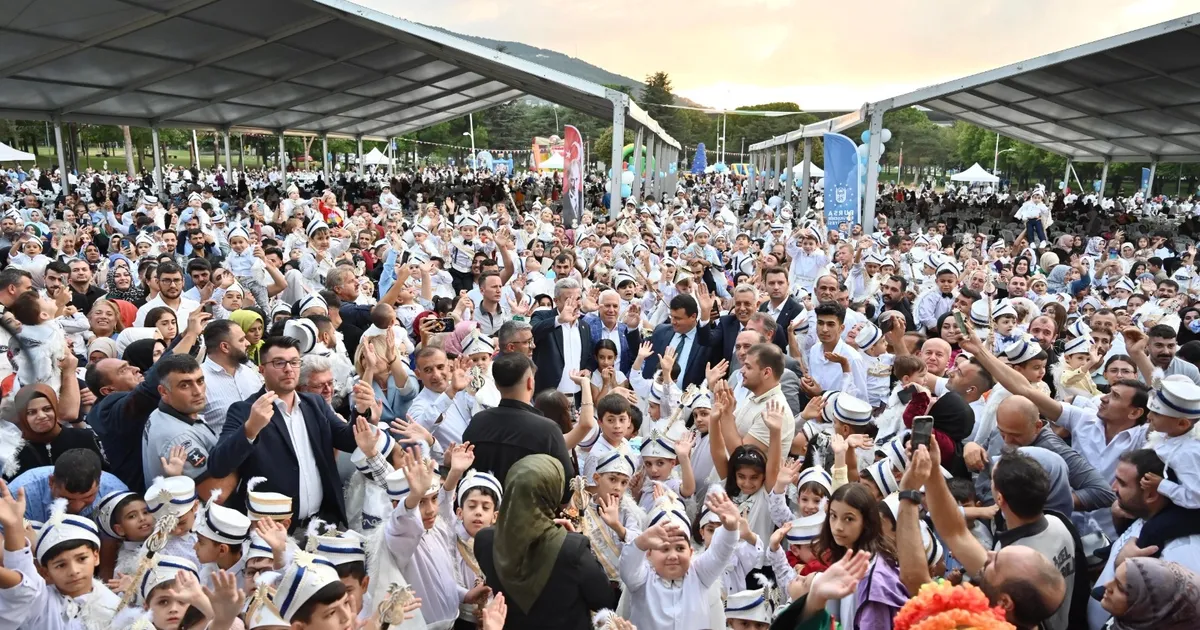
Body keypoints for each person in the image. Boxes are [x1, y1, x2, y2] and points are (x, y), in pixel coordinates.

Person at [207, 336, 363, 528]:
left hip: (321, 522)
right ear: (262, 370)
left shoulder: (314, 404)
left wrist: (362, 411)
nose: (288, 368)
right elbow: (218, 465)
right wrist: (250, 429)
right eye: (279, 362)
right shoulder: (245, 410)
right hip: (271, 530)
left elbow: (348, 440)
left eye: (294, 362)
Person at [473, 454, 613, 630]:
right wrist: (570, 539)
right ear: (553, 492)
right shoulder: (572, 550)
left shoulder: (485, 541)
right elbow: (604, 600)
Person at [1, 383, 104, 480]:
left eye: (47, 409)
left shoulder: (83, 438)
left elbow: (104, 475)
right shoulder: (14, 453)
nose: (41, 416)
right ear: (22, 416)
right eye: (31, 412)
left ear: (55, 408)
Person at [200, 318, 263, 434]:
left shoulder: (250, 372)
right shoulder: (199, 381)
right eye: (241, 340)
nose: (247, 343)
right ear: (225, 347)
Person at [531, 278, 593, 394]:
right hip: (548, 396)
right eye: (569, 299)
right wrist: (559, 320)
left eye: (578, 298)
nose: (575, 303)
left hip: (577, 395)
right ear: (556, 301)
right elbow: (532, 332)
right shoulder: (543, 316)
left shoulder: (584, 326)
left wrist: (588, 369)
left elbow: (588, 356)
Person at [641, 291, 714, 391]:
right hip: (656, 396)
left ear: (693, 316)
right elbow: (642, 350)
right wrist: (632, 329)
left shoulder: (706, 340)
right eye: (672, 317)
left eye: (678, 318)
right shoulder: (661, 331)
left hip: (686, 402)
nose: (673, 322)